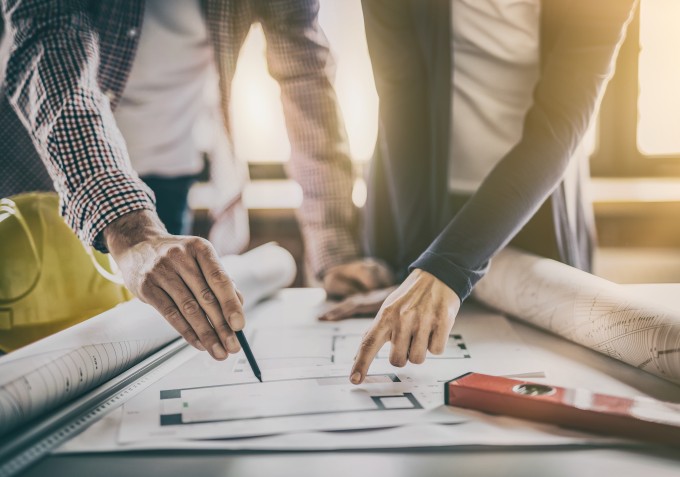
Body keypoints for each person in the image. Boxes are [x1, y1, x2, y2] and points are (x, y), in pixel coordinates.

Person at [0, 0, 392, 360]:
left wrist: (338, 254)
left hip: (168, 187)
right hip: (45, 186)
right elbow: (48, 52)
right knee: (42, 362)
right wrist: (131, 226)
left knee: (148, 357)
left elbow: (305, 77)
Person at [319, 0, 638, 385]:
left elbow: (559, 126)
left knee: (547, 388)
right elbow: (402, 94)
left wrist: (447, 266)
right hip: (416, 208)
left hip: (534, 205)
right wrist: (415, 268)